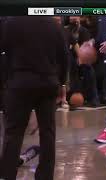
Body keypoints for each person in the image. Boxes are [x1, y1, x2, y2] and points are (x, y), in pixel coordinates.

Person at [0, 17, 68, 180]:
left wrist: (6, 81)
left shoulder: (11, 23)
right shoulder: (54, 25)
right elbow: (64, 57)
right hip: (48, 83)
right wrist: (61, 81)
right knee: (48, 132)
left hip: (19, 83)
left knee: (13, 132)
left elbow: (3, 54)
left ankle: (7, 175)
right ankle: (45, 176)